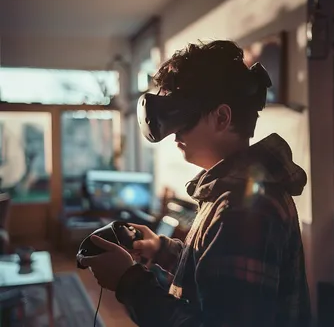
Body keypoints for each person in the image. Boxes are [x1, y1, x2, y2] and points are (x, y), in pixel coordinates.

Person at [79, 40, 311, 327]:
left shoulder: (242, 208)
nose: (173, 130)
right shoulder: (233, 192)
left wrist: (129, 281)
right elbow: (220, 283)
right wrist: (162, 250)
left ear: (222, 118)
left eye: (181, 115)